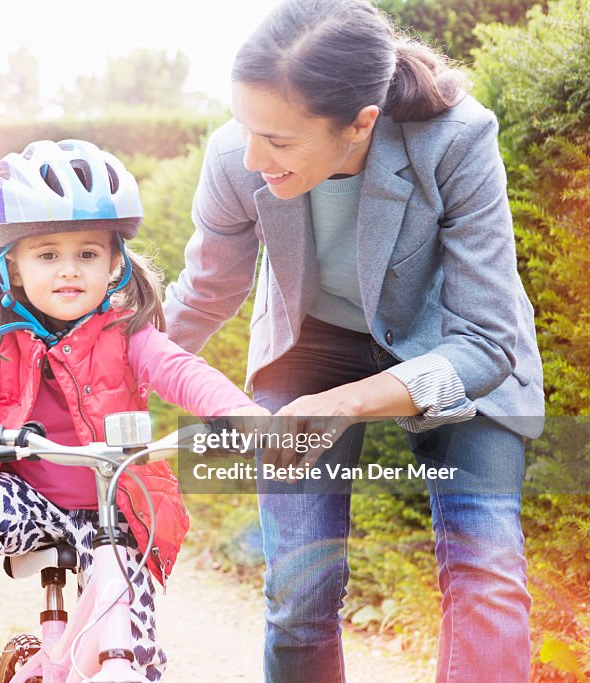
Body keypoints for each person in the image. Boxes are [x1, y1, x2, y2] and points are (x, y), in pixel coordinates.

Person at [162, 1, 545, 681]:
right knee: (299, 588)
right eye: (246, 128)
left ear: (361, 123)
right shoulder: (234, 157)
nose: (253, 156)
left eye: (277, 140)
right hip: (309, 347)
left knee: (488, 573)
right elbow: (203, 294)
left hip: (454, 344)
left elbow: (488, 340)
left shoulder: (457, 138)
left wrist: (347, 405)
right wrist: (91, 374)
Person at [0, 139, 267, 683]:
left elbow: (183, 371)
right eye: (47, 255)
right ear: (11, 266)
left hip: (114, 505)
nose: (69, 270)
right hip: (27, 495)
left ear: (114, 264)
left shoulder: (130, 334)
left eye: (87, 253)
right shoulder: (2, 339)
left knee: (135, 649)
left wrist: (235, 411)